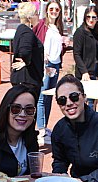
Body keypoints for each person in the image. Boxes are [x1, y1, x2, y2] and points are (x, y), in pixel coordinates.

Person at [51, 74, 98, 182]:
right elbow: (60, 160)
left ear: (84, 97)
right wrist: (60, 176)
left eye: (74, 96)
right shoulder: (60, 129)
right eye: (62, 100)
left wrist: (83, 181)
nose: (68, 103)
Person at [34, 1, 64, 144]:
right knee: (42, 95)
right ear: (47, 10)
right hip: (46, 64)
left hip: (56, 64)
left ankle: (44, 128)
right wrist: (41, 56)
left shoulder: (58, 27)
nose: (54, 11)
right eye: (51, 9)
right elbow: (35, 40)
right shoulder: (42, 25)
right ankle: (40, 129)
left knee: (50, 96)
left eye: (56, 9)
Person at [72, 5, 98, 109]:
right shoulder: (80, 32)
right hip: (84, 75)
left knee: (93, 103)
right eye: (88, 17)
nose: (91, 20)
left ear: (97, 19)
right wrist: (84, 72)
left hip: (94, 73)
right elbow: (76, 54)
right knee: (86, 104)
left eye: (94, 17)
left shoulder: (95, 34)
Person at [10, 2, 44, 91]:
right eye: (36, 14)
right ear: (29, 18)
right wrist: (26, 62)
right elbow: (24, 50)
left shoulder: (21, 29)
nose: (38, 17)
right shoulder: (27, 32)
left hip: (25, 78)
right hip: (28, 80)